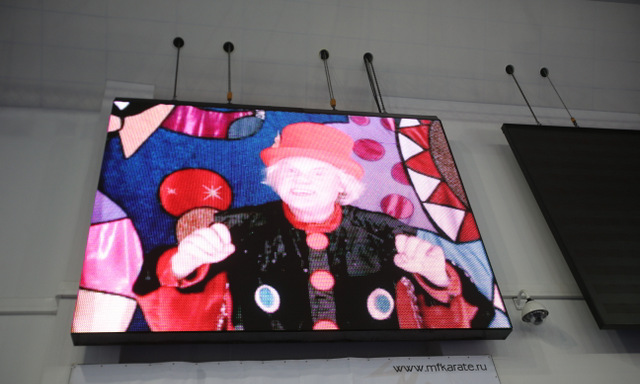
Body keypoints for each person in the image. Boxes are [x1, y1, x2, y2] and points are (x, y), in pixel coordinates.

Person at [149, 122, 494, 331]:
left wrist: (438, 279)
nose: (302, 181)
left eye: (318, 172)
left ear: (342, 184)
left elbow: (466, 323)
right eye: (290, 170)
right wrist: (180, 266)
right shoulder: (236, 229)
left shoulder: (387, 233)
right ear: (275, 178)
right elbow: (177, 320)